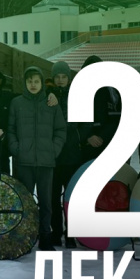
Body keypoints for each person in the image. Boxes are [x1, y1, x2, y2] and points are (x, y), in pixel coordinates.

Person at [7, 66, 66, 251]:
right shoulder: (17, 103)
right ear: (25, 83)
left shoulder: (51, 103)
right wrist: (17, 149)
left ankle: (45, 237)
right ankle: (23, 236)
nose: (33, 85)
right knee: (24, 201)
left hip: (46, 162)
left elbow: (60, 130)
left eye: (36, 81)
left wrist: (52, 149)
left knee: (46, 202)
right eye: (30, 81)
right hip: (23, 162)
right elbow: (11, 129)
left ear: (42, 83)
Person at [47, 61, 82, 248]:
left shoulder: (76, 96)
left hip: (71, 154)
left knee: (70, 197)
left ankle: (71, 233)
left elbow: (83, 123)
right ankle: (56, 231)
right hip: (53, 155)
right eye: (57, 77)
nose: (60, 80)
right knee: (52, 196)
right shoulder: (47, 95)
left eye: (63, 77)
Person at [78, 55, 122, 163]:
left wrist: (101, 137)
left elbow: (116, 120)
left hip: (107, 146)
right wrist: (88, 137)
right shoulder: (79, 92)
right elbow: (75, 123)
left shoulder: (112, 92)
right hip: (86, 148)